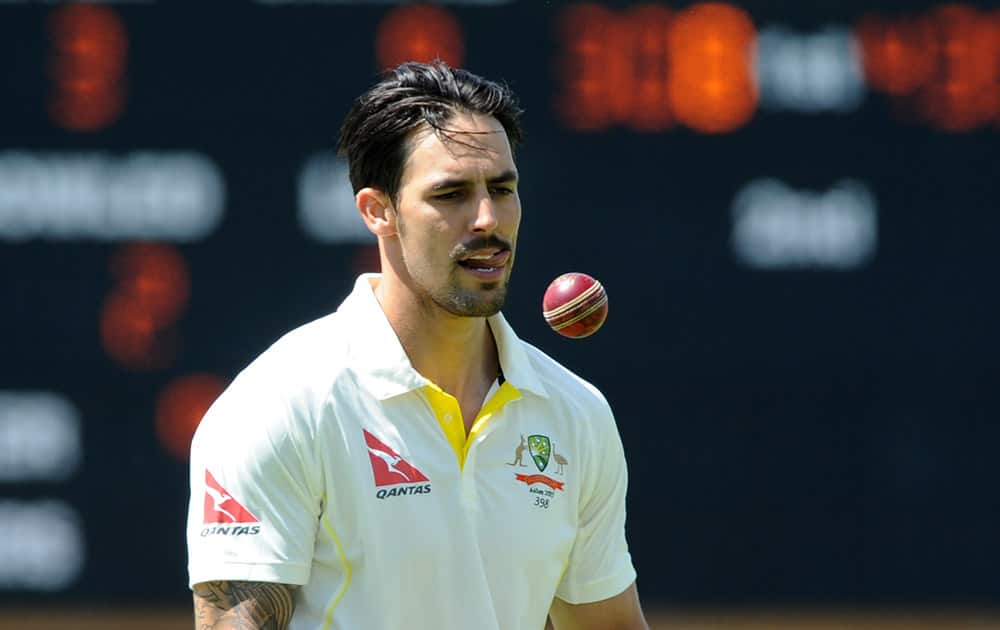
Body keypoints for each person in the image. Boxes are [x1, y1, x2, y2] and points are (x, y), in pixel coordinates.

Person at [187, 60, 648, 630]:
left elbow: (608, 623)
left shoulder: (575, 412)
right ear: (377, 211)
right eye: (451, 194)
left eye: (502, 189)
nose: (487, 218)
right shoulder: (281, 402)